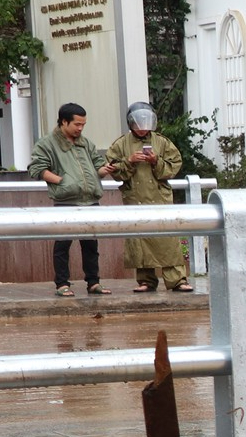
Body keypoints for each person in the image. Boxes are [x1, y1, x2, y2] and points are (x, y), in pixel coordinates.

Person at [31, 103, 114, 297]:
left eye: (83, 124)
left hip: (90, 199)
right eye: (77, 124)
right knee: (62, 244)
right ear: (64, 121)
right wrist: (63, 181)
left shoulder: (86, 143)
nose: (80, 128)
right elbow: (36, 169)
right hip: (66, 200)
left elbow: (98, 169)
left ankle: (93, 283)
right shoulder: (47, 143)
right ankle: (61, 284)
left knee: (91, 245)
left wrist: (107, 169)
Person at [106, 102, 189, 292]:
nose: (142, 128)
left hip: (160, 197)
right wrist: (129, 161)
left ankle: (177, 280)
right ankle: (146, 280)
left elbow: (175, 164)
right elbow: (112, 168)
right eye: (138, 123)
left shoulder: (162, 142)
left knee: (168, 239)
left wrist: (155, 161)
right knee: (140, 239)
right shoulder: (121, 144)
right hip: (136, 197)